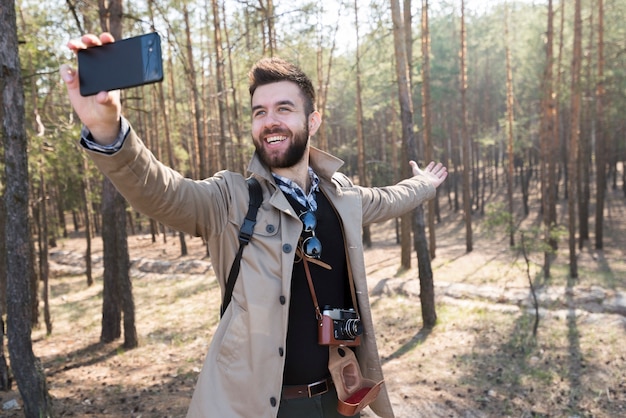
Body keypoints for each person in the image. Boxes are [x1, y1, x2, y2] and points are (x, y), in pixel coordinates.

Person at [60, 32, 448, 418]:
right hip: (265, 408)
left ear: (312, 121)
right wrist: (109, 131)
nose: (269, 121)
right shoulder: (231, 199)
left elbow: (390, 198)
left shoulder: (340, 195)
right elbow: (162, 191)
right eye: (259, 112)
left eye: (283, 108)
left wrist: (425, 185)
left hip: (339, 398)